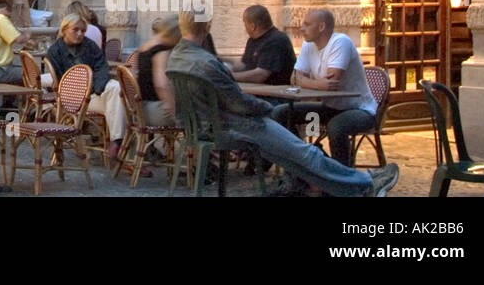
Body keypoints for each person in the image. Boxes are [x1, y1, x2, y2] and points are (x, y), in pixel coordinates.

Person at [167, 11, 398, 196]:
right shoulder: (207, 63)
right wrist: (265, 109)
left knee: (292, 154)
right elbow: (239, 103)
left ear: (182, 27)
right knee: (303, 152)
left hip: (202, 127)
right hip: (234, 126)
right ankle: (366, 182)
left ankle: (347, 187)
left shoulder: (177, 58)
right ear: (207, 27)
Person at [271, 8, 378, 167]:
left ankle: (343, 177)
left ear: (321, 27)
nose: (301, 28)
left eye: (307, 24)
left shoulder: (341, 42)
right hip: (329, 108)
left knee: (336, 126)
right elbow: (294, 78)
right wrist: (317, 83)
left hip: (359, 109)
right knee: (281, 113)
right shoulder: (309, 45)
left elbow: (330, 85)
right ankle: (310, 160)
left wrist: (306, 81)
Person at [47, 13, 127, 159]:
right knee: (121, 107)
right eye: (75, 30)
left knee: (116, 88)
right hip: (73, 98)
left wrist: (98, 88)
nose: (79, 34)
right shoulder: (54, 51)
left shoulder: (89, 45)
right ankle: (124, 151)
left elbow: (101, 67)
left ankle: (117, 142)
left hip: (93, 93)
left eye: (83, 31)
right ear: (64, 29)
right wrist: (85, 88)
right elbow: (61, 81)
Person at [230, 5, 296, 86]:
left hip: (275, 95)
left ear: (252, 26)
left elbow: (260, 75)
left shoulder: (277, 40)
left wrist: (229, 76)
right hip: (256, 91)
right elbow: (244, 65)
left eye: (245, 23)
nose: (244, 27)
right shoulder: (253, 40)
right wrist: (221, 60)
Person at [136, 15, 180, 129]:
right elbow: (161, 85)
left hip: (140, 109)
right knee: (197, 114)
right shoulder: (161, 51)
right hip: (156, 112)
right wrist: (174, 109)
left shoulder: (145, 46)